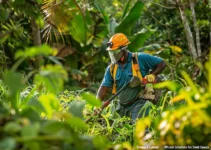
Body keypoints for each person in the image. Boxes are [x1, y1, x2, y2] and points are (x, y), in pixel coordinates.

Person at [96, 33, 166, 121]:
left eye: (116, 52)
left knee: (139, 130)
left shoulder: (140, 58)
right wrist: (97, 104)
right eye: (111, 52)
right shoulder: (112, 68)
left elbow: (162, 63)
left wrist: (153, 74)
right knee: (117, 131)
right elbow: (103, 88)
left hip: (139, 102)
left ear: (124, 49)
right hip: (122, 106)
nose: (113, 55)